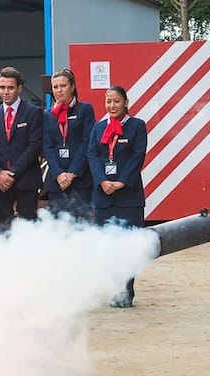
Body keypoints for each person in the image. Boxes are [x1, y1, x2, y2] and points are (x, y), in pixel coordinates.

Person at [87, 85, 147, 308]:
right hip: (103, 196)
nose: (112, 106)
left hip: (128, 196)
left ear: (126, 103)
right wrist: (103, 181)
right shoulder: (98, 128)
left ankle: (127, 289)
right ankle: (115, 287)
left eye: (116, 101)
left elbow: (137, 156)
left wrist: (121, 181)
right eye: (108, 101)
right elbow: (92, 156)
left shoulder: (137, 126)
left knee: (129, 245)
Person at [0, 66, 43, 232]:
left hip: (26, 181)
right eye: (2, 87)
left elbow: (34, 146)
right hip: (0, 183)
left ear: (19, 88)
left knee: (28, 229)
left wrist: (13, 174)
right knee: (4, 230)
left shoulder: (33, 112)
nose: (6, 92)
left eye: (10, 87)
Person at [42, 68, 95, 222]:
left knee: (82, 226)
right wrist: (58, 174)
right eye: (55, 87)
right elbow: (48, 146)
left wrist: (72, 173)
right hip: (57, 182)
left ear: (72, 87)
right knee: (59, 227)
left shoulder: (85, 110)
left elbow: (87, 142)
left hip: (81, 179)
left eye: (63, 86)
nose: (59, 90)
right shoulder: (48, 114)